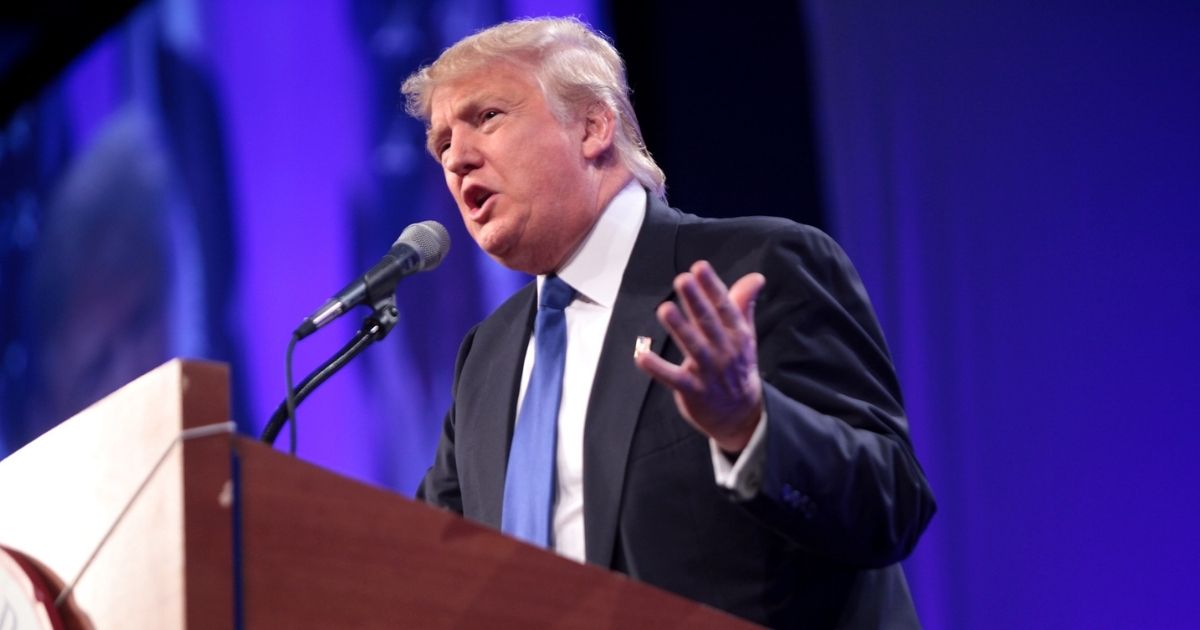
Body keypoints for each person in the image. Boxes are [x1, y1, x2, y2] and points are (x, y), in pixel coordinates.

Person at [402, 16, 935, 628]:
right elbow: (433, 555)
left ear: (593, 126)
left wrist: (750, 425)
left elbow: (889, 503)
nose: (458, 158)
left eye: (487, 117)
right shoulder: (488, 356)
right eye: (442, 145)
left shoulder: (755, 268)